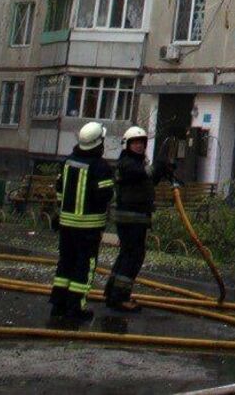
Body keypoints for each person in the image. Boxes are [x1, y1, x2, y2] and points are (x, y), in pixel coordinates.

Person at [49, 122, 114, 323]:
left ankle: (58, 305)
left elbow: (59, 190)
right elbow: (106, 195)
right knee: (84, 266)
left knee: (65, 263)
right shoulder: (101, 166)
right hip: (89, 227)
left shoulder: (68, 162)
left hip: (66, 224)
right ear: (98, 143)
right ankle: (75, 307)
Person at [104, 126, 172, 312]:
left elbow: (148, 180)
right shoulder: (126, 163)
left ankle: (112, 292)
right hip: (130, 218)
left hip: (137, 218)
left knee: (127, 255)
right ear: (127, 145)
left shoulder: (138, 164)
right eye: (135, 143)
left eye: (142, 142)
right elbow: (141, 174)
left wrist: (162, 171)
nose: (140, 146)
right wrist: (157, 166)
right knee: (133, 257)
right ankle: (120, 297)